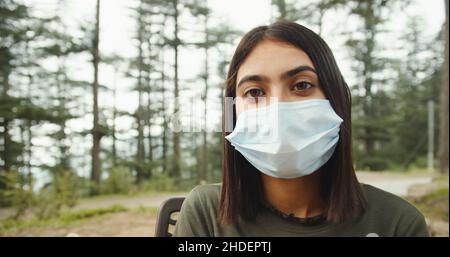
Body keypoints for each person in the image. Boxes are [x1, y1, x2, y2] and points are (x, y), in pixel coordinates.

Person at [173, 21, 429, 237]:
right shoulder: (206, 213)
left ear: (337, 101)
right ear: (232, 113)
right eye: (254, 92)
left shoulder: (396, 224)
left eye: (301, 85)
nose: (278, 108)